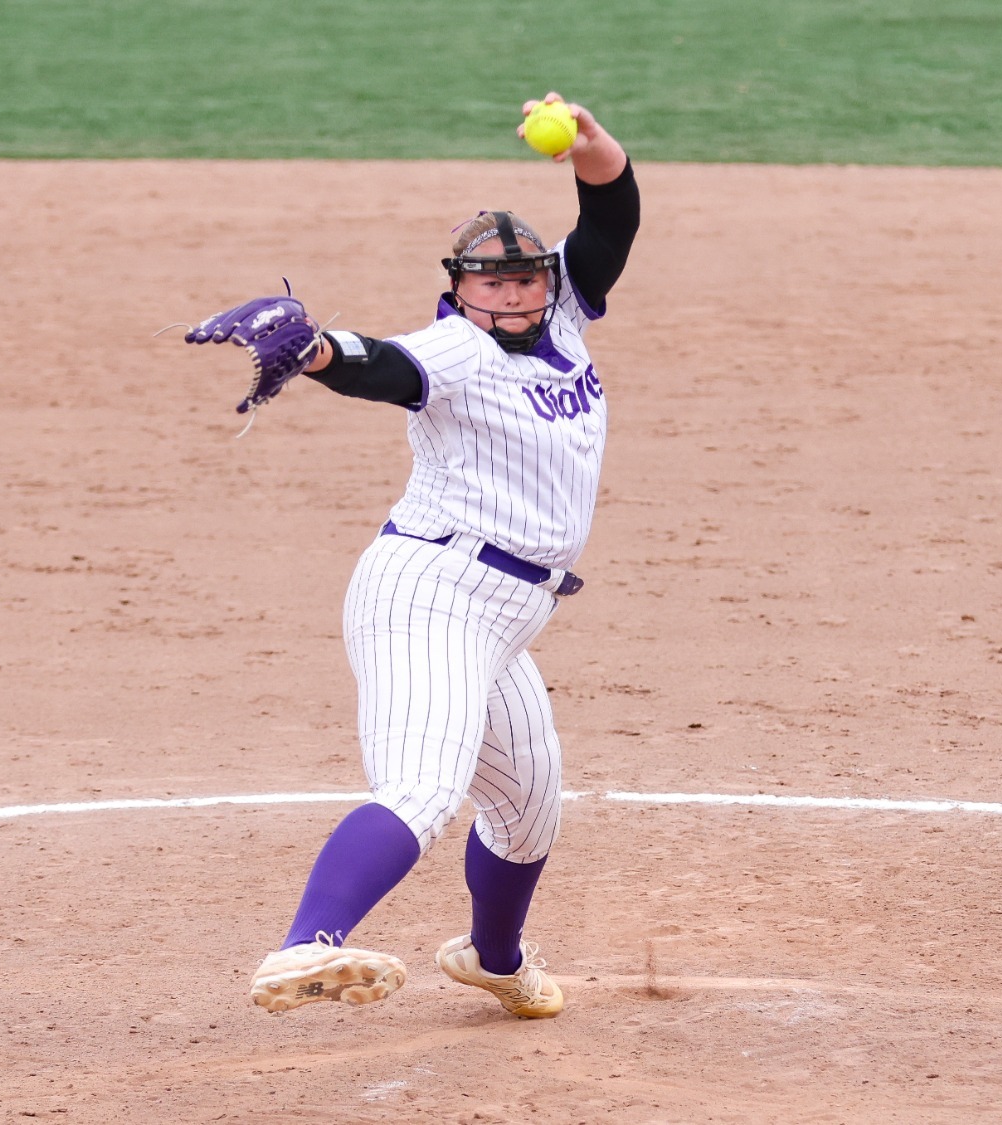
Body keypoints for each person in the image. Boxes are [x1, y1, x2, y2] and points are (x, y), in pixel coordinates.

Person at [185, 92, 638, 1019]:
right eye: (492, 282)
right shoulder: (458, 350)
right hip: (431, 591)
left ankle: (493, 957)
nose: (512, 294)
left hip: (508, 615)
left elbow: (613, 215)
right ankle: (305, 944)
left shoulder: (565, 323)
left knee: (530, 808)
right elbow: (383, 365)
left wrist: (592, 142)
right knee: (425, 787)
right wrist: (314, 350)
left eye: (526, 279)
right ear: (460, 286)